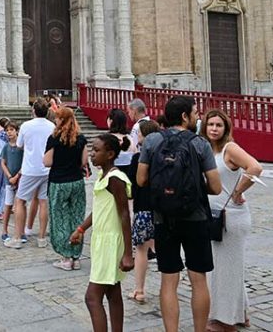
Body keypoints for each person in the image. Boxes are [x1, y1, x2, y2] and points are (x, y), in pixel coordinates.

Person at [136, 96, 222, 332]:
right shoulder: (199, 143)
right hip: (195, 217)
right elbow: (215, 187)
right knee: (198, 279)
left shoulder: (152, 141)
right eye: (195, 113)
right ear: (185, 116)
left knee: (168, 279)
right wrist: (193, 186)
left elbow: (141, 179)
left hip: (163, 218)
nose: (198, 117)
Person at [199, 109, 263, 331]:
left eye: (219, 125)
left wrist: (238, 191)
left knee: (225, 269)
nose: (214, 129)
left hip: (231, 217)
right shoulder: (206, 150)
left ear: (226, 129)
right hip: (215, 216)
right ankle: (241, 314)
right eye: (210, 125)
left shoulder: (230, 149)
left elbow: (255, 167)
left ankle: (225, 321)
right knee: (227, 267)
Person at [70, 134, 134, 332]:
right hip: (102, 239)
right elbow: (99, 209)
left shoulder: (115, 179)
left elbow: (124, 215)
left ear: (110, 154)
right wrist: (81, 228)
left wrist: (128, 253)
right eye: (92, 149)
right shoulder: (103, 176)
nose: (92, 154)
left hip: (111, 242)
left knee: (92, 297)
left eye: (97, 151)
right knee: (113, 292)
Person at [5, 98, 55, 249]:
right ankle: (41, 237)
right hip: (46, 168)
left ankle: (18, 237)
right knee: (43, 202)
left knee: (20, 201)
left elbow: (19, 145)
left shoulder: (26, 126)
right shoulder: (51, 126)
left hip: (30, 169)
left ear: (33, 110)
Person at [43, 107, 87, 270]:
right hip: (76, 181)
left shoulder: (54, 138)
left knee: (60, 218)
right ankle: (76, 256)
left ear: (61, 120)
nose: (55, 120)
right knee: (76, 216)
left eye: (57, 118)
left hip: (59, 182)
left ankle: (66, 256)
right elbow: (83, 162)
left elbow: (47, 162)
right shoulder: (81, 138)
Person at [129, 119, 161, 304]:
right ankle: (167, 287)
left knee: (141, 250)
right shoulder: (166, 157)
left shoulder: (138, 159)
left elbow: (134, 186)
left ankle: (139, 290)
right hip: (162, 208)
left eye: (139, 133)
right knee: (164, 249)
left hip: (143, 208)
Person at [0, 121, 23, 242]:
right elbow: (3, 163)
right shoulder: (6, 147)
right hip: (9, 180)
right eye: (7, 130)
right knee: (8, 205)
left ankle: (21, 231)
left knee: (21, 205)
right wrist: (9, 176)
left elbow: (25, 162)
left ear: (17, 131)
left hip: (20, 180)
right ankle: (4, 229)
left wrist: (17, 176)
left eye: (11, 130)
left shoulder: (21, 147)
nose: (9, 132)